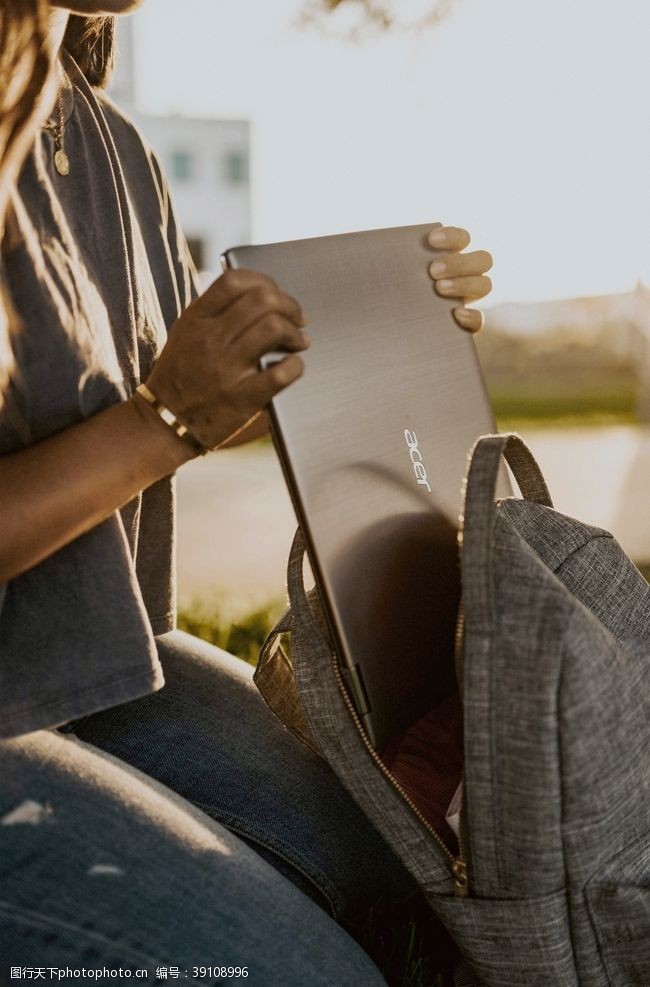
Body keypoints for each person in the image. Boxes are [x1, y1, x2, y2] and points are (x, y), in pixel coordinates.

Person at [0, 2, 494, 983]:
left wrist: (377, 337)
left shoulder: (106, 138)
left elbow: (135, 422)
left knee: (406, 880)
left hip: (82, 659)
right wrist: (162, 420)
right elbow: (146, 425)